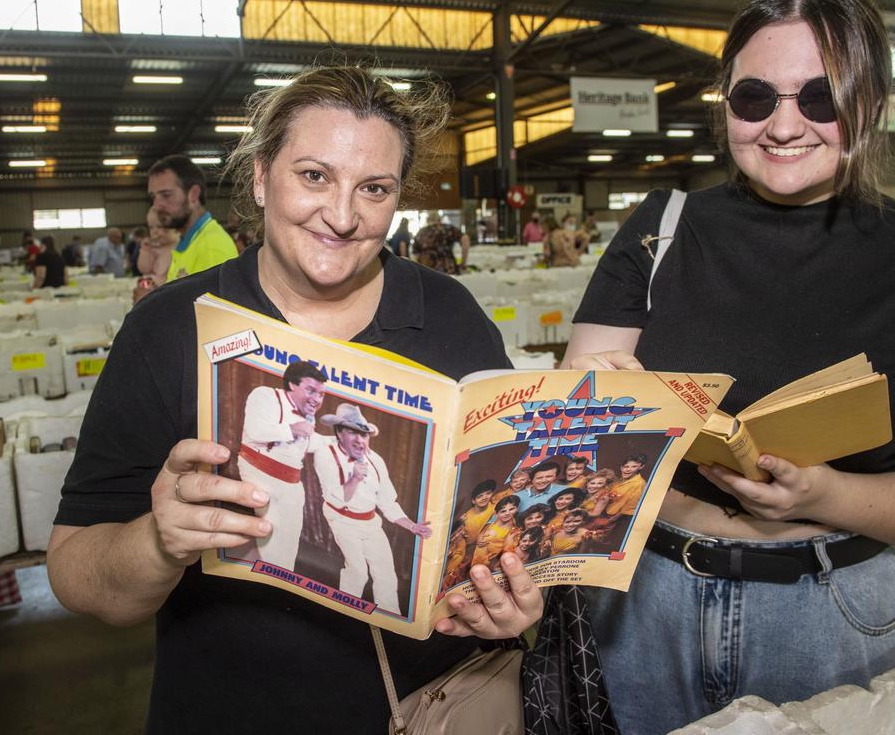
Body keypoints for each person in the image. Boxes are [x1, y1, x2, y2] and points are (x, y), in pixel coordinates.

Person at [47, 65, 542, 734]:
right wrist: (160, 541)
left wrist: (509, 594)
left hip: (433, 708)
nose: (342, 216)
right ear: (258, 176)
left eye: (374, 188)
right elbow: (77, 577)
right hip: (233, 710)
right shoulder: (170, 330)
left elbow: (506, 516)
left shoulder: (448, 316)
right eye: (314, 176)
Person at [563, 0, 895, 733]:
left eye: (820, 98)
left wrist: (829, 497)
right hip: (644, 593)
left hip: (830, 612)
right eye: (755, 98)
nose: (784, 126)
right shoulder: (663, 230)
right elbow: (575, 404)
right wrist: (597, 401)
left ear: (872, 104)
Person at [312, 404, 430, 614]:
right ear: (339, 433)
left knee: (386, 572)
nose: (360, 440)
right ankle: (344, 613)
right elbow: (338, 500)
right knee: (358, 571)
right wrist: (355, 478)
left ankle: (390, 620)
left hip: (369, 521)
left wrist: (412, 526)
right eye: (352, 433)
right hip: (341, 518)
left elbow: (387, 501)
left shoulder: (375, 460)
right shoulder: (325, 455)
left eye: (364, 435)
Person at [238, 361, 328, 571]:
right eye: (311, 390)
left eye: (321, 394)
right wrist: (293, 429)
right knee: (270, 546)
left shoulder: (307, 414)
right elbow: (255, 430)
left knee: (287, 552)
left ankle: (277, 587)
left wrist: (336, 445)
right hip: (259, 473)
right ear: (291, 385)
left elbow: (305, 444)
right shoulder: (266, 395)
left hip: (291, 485)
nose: (316, 399)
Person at [146, 154, 237, 286]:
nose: (156, 205)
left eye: (166, 195)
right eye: (153, 197)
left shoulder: (211, 247)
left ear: (193, 195)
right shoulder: (189, 242)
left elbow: (207, 307)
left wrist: (151, 303)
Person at [134, 208, 179, 297]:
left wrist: (154, 280)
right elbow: (144, 269)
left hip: (168, 294)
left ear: (175, 228)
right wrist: (145, 251)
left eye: (159, 227)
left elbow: (174, 278)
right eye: (151, 227)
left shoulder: (178, 249)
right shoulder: (153, 248)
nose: (154, 231)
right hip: (153, 292)